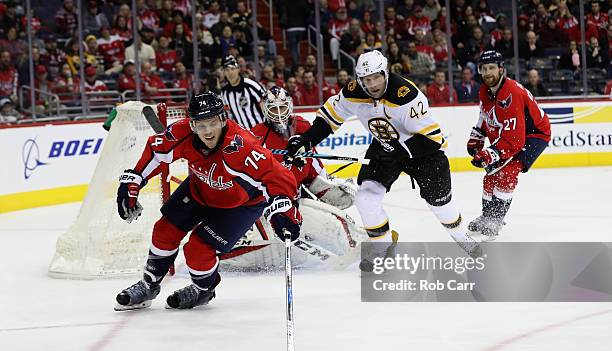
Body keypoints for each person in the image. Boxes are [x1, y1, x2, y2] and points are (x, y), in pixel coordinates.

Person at [284, 50, 480, 271]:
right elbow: (328, 120)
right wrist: (305, 141)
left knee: (441, 206)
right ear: (359, 80)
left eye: (376, 77)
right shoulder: (353, 93)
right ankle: (382, 249)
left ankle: (464, 239)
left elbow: (432, 140)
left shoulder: (406, 96)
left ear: (386, 73)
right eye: (366, 80)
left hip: (424, 152)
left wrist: (397, 151)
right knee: (366, 198)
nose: (372, 84)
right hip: (386, 146)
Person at [114, 92, 301, 311]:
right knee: (164, 230)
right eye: (201, 125)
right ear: (192, 124)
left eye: (213, 123)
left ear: (223, 119)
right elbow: (156, 151)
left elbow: (276, 176)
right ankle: (148, 285)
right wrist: (134, 180)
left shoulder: (241, 147)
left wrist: (282, 208)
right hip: (200, 188)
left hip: (241, 204)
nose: (208, 131)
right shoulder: (181, 132)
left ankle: (203, 290)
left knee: (197, 250)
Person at [223, 86, 361, 267]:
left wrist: (327, 188)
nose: (279, 113)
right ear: (265, 110)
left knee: (332, 225)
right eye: (274, 109)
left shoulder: (303, 128)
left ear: (290, 106)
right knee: (263, 250)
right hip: (266, 206)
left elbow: (313, 170)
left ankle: (360, 243)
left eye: (282, 108)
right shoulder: (256, 137)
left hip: (297, 202)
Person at [466, 51, 550, 238]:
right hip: (513, 134)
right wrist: (478, 135)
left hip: (534, 135)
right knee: (490, 174)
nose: (487, 72)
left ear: (501, 69)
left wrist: (489, 153)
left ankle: (496, 219)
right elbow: (484, 115)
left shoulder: (510, 93)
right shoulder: (484, 89)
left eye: (492, 68)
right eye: (484, 68)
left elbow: (516, 140)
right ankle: (487, 215)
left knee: (508, 170)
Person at [220, 54, 267, 129]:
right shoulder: (224, 93)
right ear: (224, 72)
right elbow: (228, 115)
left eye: (232, 69)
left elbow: (267, 105)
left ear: (238, 69)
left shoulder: (251, 85)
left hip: (260, 132)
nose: (230, 73)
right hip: (243, 136)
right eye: (227, 70)